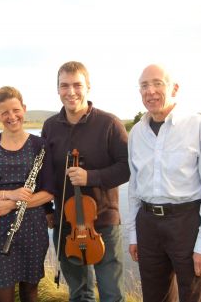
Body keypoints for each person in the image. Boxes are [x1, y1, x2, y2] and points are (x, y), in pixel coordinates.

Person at [126, 64, 201, 302]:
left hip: (187, 223)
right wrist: (133, 235)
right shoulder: (136, 134)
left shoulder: (199, 126)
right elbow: (134, 188)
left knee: (196, 295)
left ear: (175, 88)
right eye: (144, 85)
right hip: (148, 225)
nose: (150, 91)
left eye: (157, 83)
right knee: (154, 297)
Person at [42, 61, 130, 302]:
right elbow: (45, 172)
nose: (71, 92)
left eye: (77, 85)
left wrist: (91, 177)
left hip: (102, 221)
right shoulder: (50, 126)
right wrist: (47, 209)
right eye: (64, 86)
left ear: (88, 87)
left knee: (111, 293)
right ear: (57, 89)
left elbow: (127, 168)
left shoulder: (109, 124)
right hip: (65, 222)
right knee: (80, 292)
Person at [0, 86, 55, 302]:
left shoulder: (40, 145)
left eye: (16, 110)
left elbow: (49, 193)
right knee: (3, 293)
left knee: (30, 292)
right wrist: (8, 195)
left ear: (24, 109)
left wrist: (14, 204)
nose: (11, 116)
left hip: (33, 225)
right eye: (4, 112)